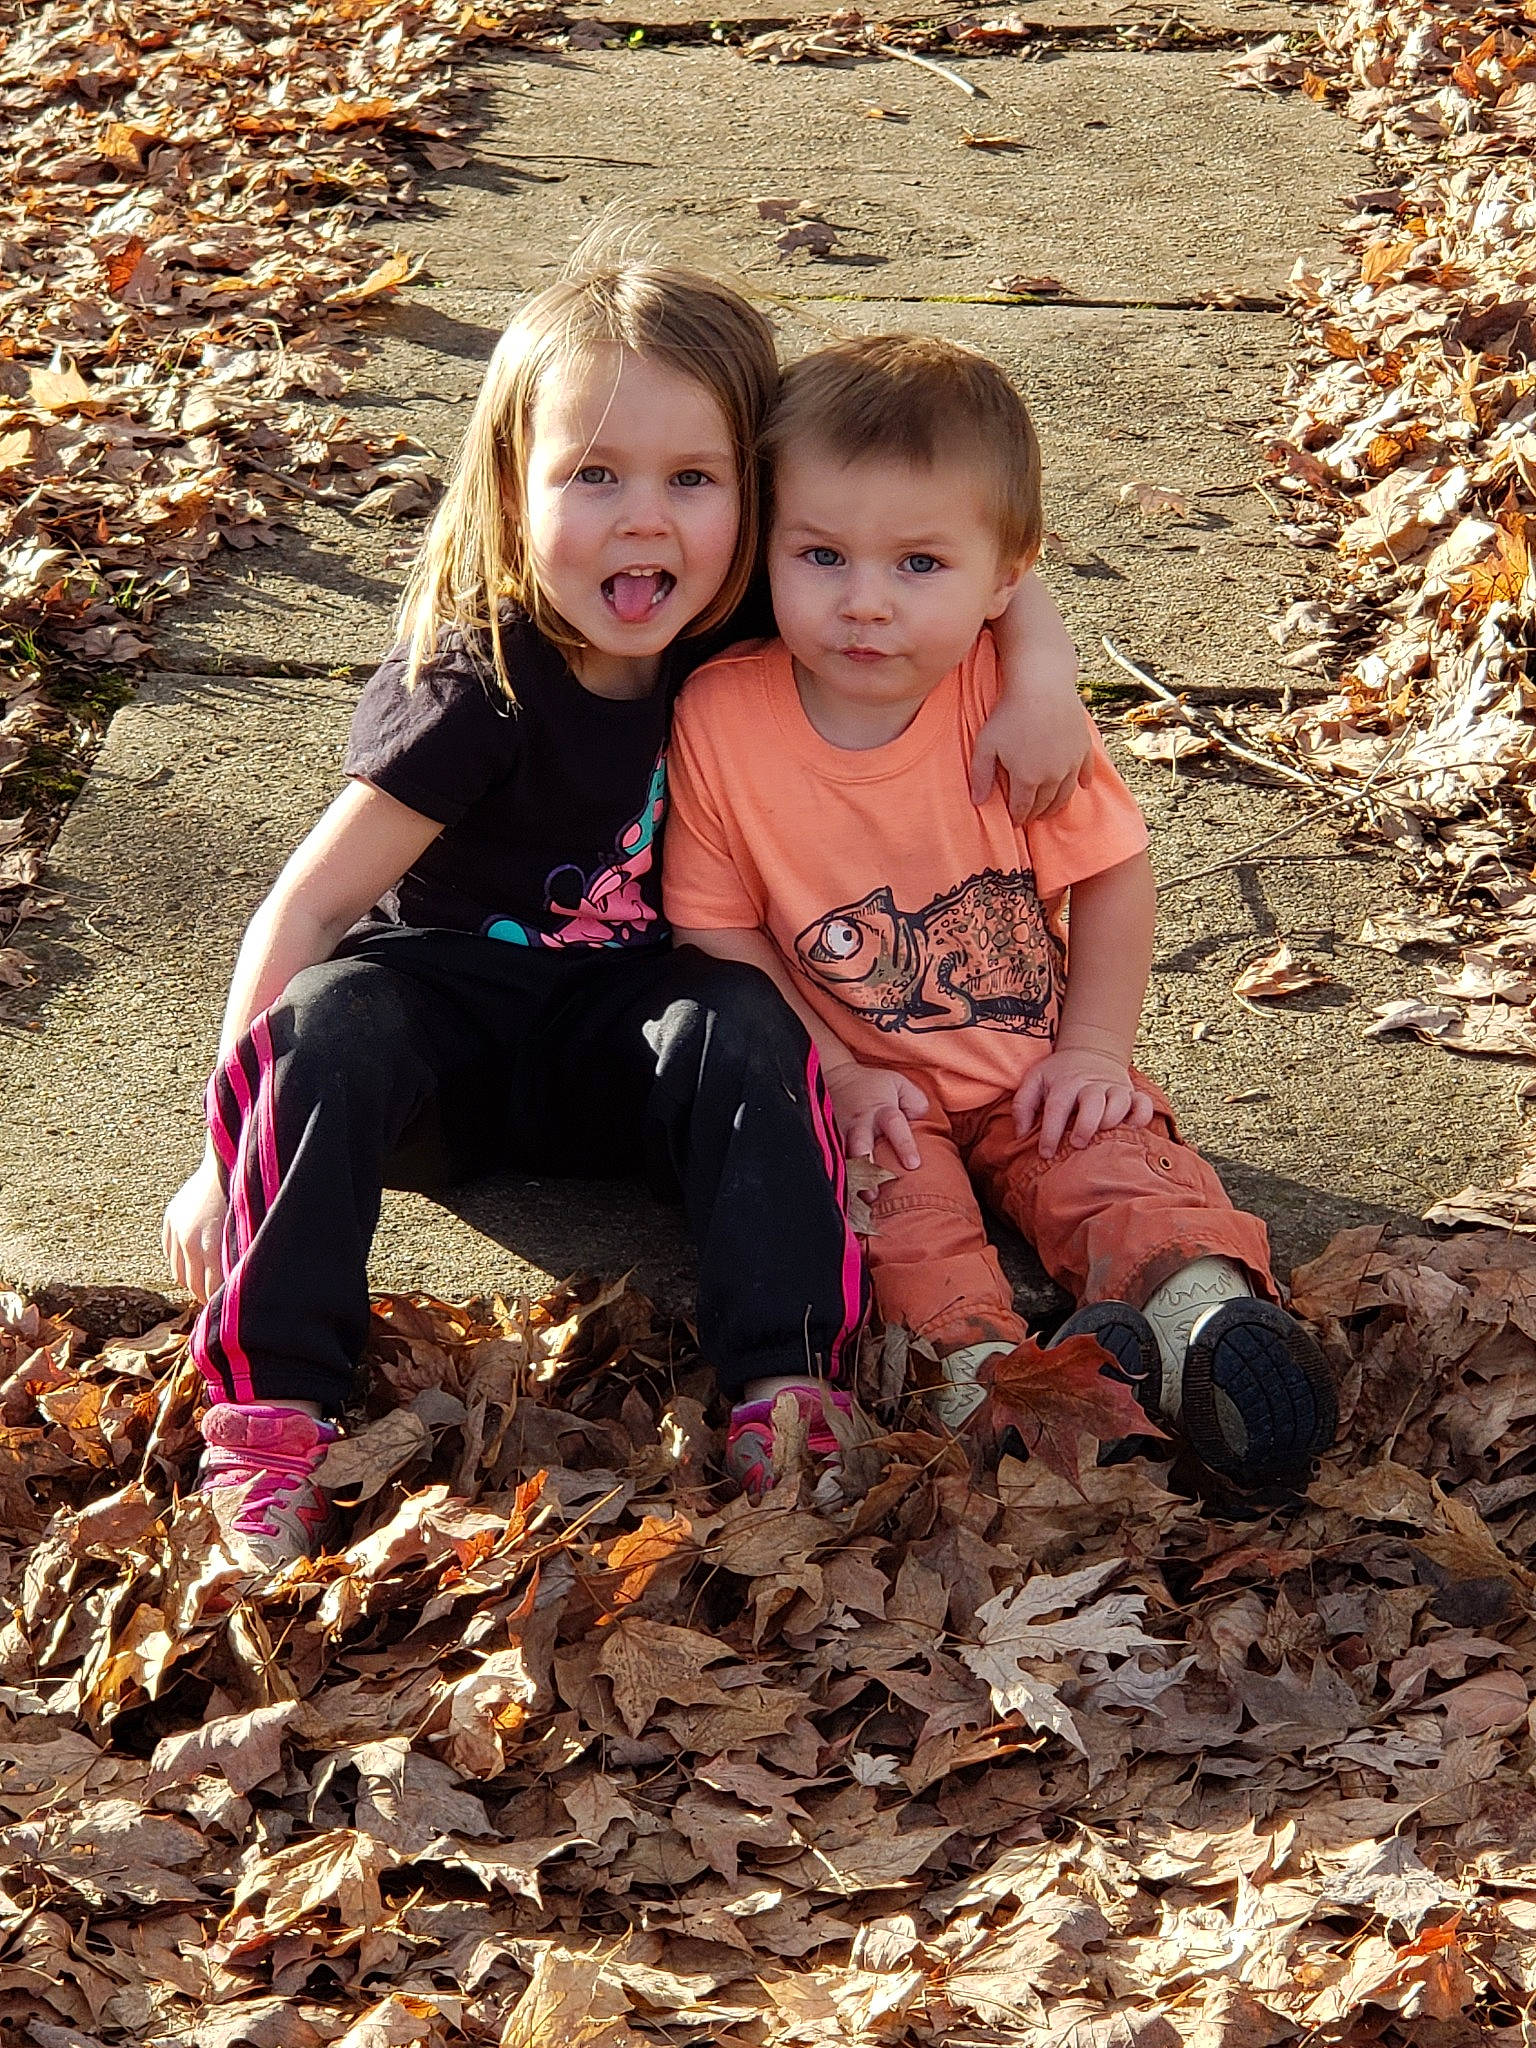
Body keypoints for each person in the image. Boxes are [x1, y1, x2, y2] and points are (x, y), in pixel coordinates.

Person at [161, 260, 1095, 1566]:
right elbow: (310, 901)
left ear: (757, 502)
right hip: (447, 1036)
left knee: (744, 1019)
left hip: (632, 1044)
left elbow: (970, 528)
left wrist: (1043, 669)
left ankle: (790, 1392)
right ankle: (272, 1415)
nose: (643, 520)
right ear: (512, 489)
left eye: (692, 480)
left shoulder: (744, 621)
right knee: (328, 1024)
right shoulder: (475, 681)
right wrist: (221, 1152)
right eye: (594, 474)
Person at [663, 334, 1338, 1493]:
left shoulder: (1008, 705)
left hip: (1032, 1069)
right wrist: (832, 1065)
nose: (864, 602)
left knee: (1124, 1170)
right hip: (876, 1095)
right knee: (902, 1226)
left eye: (920, 563)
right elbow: (715, 932)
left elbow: (1116, 870)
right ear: (767, 545)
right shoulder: (723, 720)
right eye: (821, 554)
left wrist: (1094, 1049)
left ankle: (1198, 1322)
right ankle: (990, 1374)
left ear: (1004, 576)